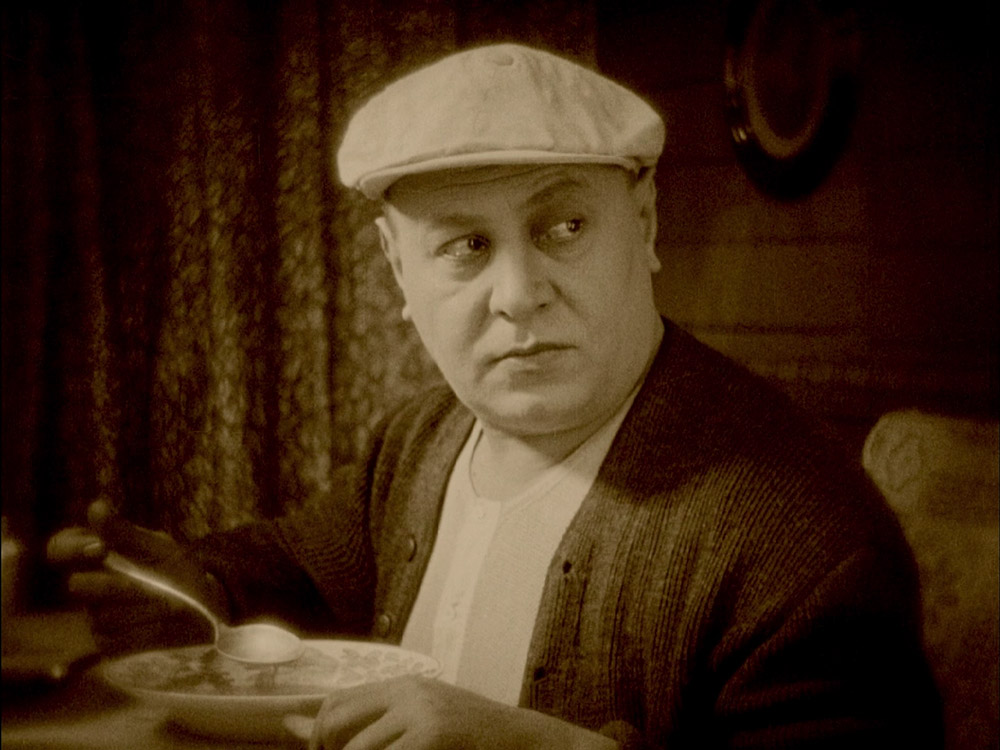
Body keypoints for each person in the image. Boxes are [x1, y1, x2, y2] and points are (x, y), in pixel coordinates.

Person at [48, 43, 942, 749]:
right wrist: (192, 581)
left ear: (645, 224)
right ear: (398, 271)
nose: (518, 294)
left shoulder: (805, 538)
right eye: (466, 246)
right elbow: (299, 568)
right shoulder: (423, 440)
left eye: (564, 226)